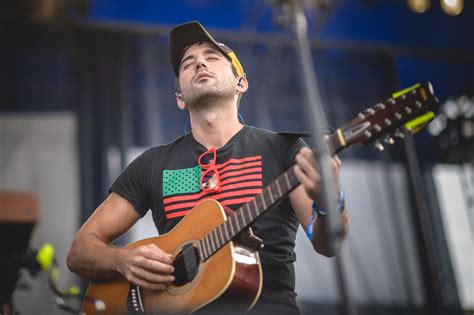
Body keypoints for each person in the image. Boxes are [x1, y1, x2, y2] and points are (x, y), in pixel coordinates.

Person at [67, 21, 350, 314]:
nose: (199, 63)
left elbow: (327, 244)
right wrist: (122, 261)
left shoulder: (284, 150)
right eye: (188, 64)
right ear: (179, 98)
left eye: (212, 57)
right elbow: (79, 252)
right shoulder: (152, 165)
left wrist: (329, 200)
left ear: (241, 82)